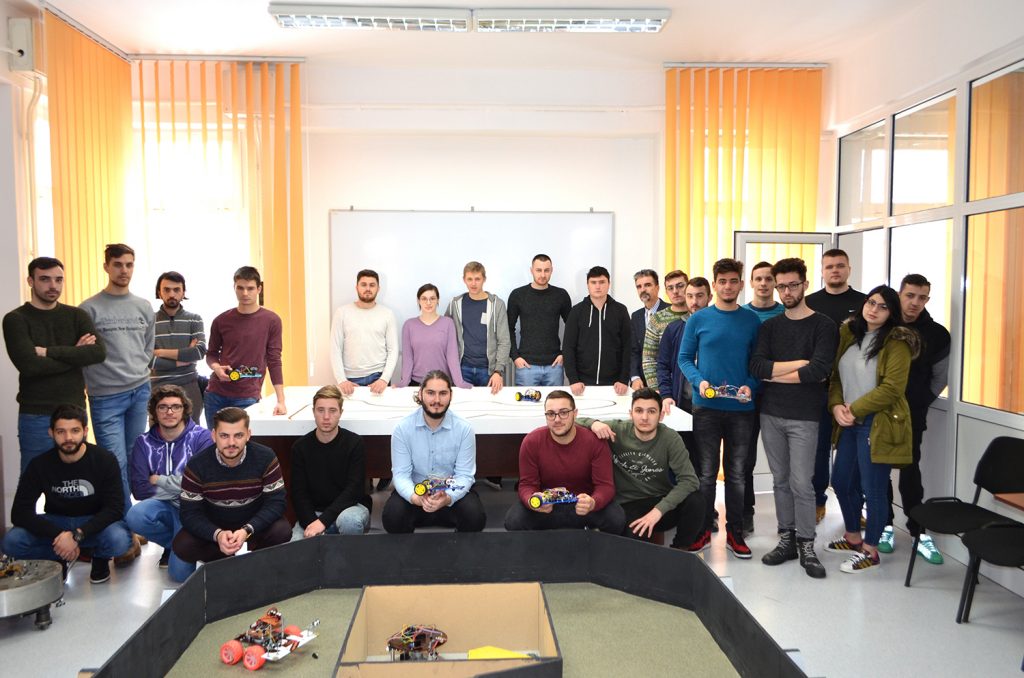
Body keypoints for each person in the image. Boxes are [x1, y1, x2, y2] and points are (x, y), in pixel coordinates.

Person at [749, 258, 837, 578]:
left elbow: (819, 371)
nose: (786, 292)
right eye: (781, 286)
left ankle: (806, 544)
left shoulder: (824, 325)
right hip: (771, 413)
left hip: (805, 416)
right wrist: (799, 364)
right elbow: (757, 368)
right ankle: (786, 538)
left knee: (802, 483)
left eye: (793, 285)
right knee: (780, 481)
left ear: (805, 285)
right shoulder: (770, 327)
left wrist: (775, 374)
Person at [825, 285, 918, 573]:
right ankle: (853, 536)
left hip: (878, 423)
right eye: (871, 302)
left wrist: (854, 409)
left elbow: (892, 389)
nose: (874, 309)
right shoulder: (849, 333)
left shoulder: (897, 342)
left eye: (883, 306)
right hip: (849, 421)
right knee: (841, 482)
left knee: (873, 488)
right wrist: (836, 406)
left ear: (892, 313)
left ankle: (871, 550)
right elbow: (836, 378)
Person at [678, 258, 761, 558]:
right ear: (714, 285)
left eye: (733, 281)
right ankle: (702, 530)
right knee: (706, 474)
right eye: (722, 281)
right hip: (706, 409)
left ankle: (735, 534)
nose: (728, 286)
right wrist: (698, 381)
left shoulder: (751, 320)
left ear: (741, 284)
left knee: (737, 474)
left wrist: (750, 385)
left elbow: (758, 363)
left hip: (741, 410)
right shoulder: (698, 319)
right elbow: (684, 358)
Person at [81, 243, 154, 570]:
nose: (124, 270)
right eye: (118, 264)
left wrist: (140, 374)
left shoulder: (143, 306)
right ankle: (125, 534)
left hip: (139, 391)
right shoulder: (89, 309)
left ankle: (130, 523)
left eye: (129, 264)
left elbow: (148, 348)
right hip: (105, 396)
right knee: (115, 463)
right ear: (106, 266)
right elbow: (84, 353)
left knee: (134, 460)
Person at [3, 405, 132, 585]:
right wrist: (60, 536)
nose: (68, 438)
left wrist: (77, 535)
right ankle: (58, 557)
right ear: (51, 433)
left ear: (85, 431)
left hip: (92, 523)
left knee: (119, 540)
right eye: (61, 432)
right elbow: (20, 512)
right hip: (57, 523)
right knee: (12, 542)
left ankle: (99, 557)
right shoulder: (39, 464)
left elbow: (115, 509)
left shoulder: (104, 459)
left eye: (75, 431)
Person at [3, 256, 106, 475]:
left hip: (74, 411)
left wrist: (49, 352)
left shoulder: (77, 315)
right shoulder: (15, 319)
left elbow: (98, 353)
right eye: (45, 279)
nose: (53, 286)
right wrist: (76, 353)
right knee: (33, 479)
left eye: (58, 280)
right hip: (36, 413)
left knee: (77, 479)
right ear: (30, 281)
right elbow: (30, 366)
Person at [879, 274, 951, 565]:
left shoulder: (937, 334)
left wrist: (919, 404)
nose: (914, 303)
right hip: (879, 413)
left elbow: (940, 378)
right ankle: (884, 525)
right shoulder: (883, 325)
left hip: (912, 416)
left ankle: (918, 531)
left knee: (911, 473)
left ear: (927, 300)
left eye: (922, 298)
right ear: (899, 294)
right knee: (878, 472)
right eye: (910, 295)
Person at [172, 407, 290, 581]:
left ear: (248, 435)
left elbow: (277, 503)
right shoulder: (197, 465)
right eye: (224, 436)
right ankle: (225, 563)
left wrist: (247, 530)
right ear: (214, 435)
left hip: (253, 526)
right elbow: (189, 514)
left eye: (238, 435)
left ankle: (251, 564)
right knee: (182, 545)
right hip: (215, 528)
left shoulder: (265, 457)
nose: (231, 442)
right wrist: (218, 534)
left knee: (282, 530)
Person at [580, 388, 704, 548]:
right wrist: (594, 423)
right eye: (639, 411)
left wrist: (658, 510)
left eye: (651, 411)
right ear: (631, 414)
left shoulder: (670, 438)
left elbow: (690, 481)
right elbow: (572, 421)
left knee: (697, 500)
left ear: (661, 415)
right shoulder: (618, 430)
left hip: (660, 500)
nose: (644, 417)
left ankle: (679, 551)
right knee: (636, 548)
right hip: (628, 504)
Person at [504, 390, 625, 533]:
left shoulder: (595, 442)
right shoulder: (531, 441)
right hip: (547, 506)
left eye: (563, 412)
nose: (557, 419)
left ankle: (597, 545)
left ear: (575, 413)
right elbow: (527, 485)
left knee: (616, 518)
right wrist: (532, 500)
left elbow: (605, 486)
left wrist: (593, 502)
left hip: (583, 505)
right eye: (551, 414)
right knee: (514, 520)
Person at [125, 385, 212, 579]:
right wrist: (184, 485)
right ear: (154, 412)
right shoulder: (143, 442)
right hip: (165, 507)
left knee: (179, 575)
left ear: (184, 409)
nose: (169, 412)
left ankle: (189, 543)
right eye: (163, 407)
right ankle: (178, 543)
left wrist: (159, 480)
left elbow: (203, 485)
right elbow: (140, 490)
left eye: (176, 406)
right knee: (135, 515)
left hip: (195, 510)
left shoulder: (202, 438)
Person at [382, 371, 486, 533]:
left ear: (451, 395)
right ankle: (407, 549)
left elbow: (464, 476)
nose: (437, 400)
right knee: (392, 516)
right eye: (430, 393)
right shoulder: (402, 429)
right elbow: (400, 475)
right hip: (416, 494)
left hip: (450, 495)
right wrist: (415, 498)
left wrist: (448, 498)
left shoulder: (464, 429)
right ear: (420, 394)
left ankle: (459, 548)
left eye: (443, 393)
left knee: (475, 516)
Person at [805, 249, 866, 524]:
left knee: (854, 453)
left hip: (855, 391)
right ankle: (818, 501)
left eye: (840, 265)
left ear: (849, 269)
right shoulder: (810, 303)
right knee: (818, 450)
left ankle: (855, 506)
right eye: (829, 266)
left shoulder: (864, 303)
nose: (835, 270)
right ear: (822, 271)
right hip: (818, 389)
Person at [204, 266, 286, 425]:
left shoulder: (272, 321)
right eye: (240, 288)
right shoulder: (221, 320)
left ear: (259, 289)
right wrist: (216, 368)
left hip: (247, 396)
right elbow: (211, 354)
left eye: (250, 288)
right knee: (212, 439)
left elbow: (274, 360)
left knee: (243, 439)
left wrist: (281, 401)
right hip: (215, 394)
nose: (245, 293)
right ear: (234, 288)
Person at [739, 261, 785, 535]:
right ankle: (746, 513)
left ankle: (788, 521)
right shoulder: (742, 314)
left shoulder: (785, 313)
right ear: (751, 283)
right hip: (747, 396)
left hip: (780, 395)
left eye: (769, 278)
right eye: (759, 278)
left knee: (783, 462)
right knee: (745, 460)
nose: (764, 283)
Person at [290, 385, 371, 538]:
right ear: (313, 411)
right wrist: (313, 524)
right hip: (314, 514)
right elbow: (299, 494)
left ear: (341, 412)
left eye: (332, 410)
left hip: (349, 509)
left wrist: (323, 522)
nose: (326, 417)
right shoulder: (300, 447)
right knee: (296, 547)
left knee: (349, 521)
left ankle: (350, 555)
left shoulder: (354, 443)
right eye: (320, 410)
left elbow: (354, 490)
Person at [656, 276, 711, 474]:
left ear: (709, 297)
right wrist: (666, 395)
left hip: (711, 406)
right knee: (683, 461)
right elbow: (662, 365)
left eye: (699, 296)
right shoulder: (674, 328)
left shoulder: (717, 326)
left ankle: (706, 496)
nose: (694, 302)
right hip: (683, 404)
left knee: (707, 462)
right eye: (690, 296)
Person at [562, 266, 631, 396]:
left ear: (609, 284)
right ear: (587, 285)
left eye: (602, 282)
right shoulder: (577, 311)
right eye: (593, 282)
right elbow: (568, 347)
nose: (598, 286)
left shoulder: (621, 311)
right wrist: (573, 379)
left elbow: (627, 347)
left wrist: (623, 379)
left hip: (615, 384)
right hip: (582, 384)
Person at [445, 262, 511, 395]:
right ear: (464, 279)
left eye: (477, 279)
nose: (473, 283)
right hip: (462, 369)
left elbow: (504, 341)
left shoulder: (497, 305)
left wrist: (498, 371)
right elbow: (445, 334)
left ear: (484, 279)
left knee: (488, 406)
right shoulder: (455, 304)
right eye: (469, 279)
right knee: (463, 405)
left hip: (488, 371)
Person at [330, 269, 399, 396]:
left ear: (378, 288)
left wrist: (384, 379)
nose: (368, 289)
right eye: (363, 285)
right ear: (357, 287)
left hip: (378, 378)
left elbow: (393, 349)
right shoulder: (342, 313)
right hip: (349, 380)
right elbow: (335, 348)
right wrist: (341, 380)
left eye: (372, 285)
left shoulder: (387, 314)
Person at [507, 254, 572, 387]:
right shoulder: (518, 295)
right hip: (526, 366)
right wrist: (515, 356)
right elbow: (508, 328)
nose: (542, 275)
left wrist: (564, 354)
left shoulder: (561, 295)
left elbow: (572, 328)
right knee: (526, 401)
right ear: (531, 270)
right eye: (538, 270)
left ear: (551, 270)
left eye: (546, 270)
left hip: (554, 366)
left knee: (555, 401)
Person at [151, 271, 206, 424]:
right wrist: (183, 360)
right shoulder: (149, 321)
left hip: (189, 386)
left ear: (183, 292)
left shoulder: (194, 319)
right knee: (158, 435)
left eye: (176, 290)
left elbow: (199, 352)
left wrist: (160, 352)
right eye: (166, 290)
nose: (172, 294)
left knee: (192, 434)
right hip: (157, 388)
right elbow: (147, 360)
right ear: (159, 292)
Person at [395, 284, 469, 388]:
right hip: (417, 383)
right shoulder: (409, 325)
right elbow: (408, 358)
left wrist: (459, 382)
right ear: (418, 301)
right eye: (424, 299)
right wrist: (404, 382)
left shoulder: (448, 323)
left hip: (442, 382)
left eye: (432, 298)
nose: (428, 303)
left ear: (438, 300)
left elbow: (452, 355)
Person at [641, 269, 689, 391]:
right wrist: (657, 390)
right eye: (670, 288)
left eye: (680, 286)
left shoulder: (698, 315)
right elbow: (649, 358)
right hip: (667, 387)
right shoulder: (657, 319)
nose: (675, 291)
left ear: (688, 287)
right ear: (666, 291)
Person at [629, 269, 668, 389]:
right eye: (639, 286)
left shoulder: (671, 312)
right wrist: (634, 377)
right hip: (643, 383)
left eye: (647, 285)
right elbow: (634, 351)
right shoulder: (636, 316)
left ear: (657, 287)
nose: (643, 289)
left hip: (667, 381)